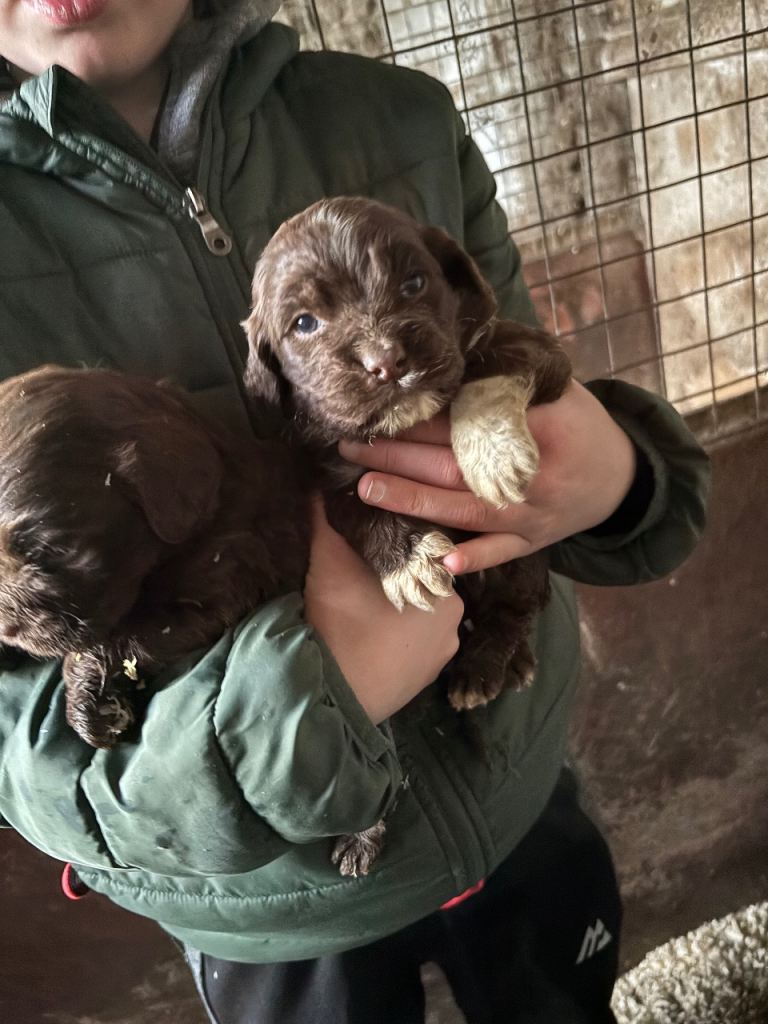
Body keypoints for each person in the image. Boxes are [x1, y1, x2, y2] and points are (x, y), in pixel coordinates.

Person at [0, 2, 709, 1022]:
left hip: (512, 773)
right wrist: (298, 702)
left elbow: (515, 360)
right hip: (269, 897)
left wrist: (621, 481)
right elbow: (21, 738)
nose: (376, 348)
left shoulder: (400, 115)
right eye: (304, 322)